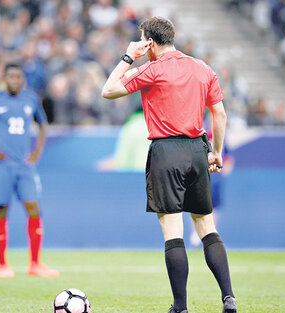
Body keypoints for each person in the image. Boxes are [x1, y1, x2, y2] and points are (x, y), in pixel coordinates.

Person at [101, 17, 237, 313]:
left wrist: (128, 56)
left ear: (149, 42)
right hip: (198, 150)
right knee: (206, 226)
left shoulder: (151, 68)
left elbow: (109, 90)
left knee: (173, 231)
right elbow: (220, 115)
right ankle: (229, 297)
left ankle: (180, 306)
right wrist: (216, 153)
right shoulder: (203, 68)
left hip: (166, 151)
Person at [0, 63, 59, 278]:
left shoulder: (31, 99)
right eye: (11, 76)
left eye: (18, 77)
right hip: (2, 166)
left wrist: (37, 152)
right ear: (4, 78)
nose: (15, 80)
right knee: (2, 210)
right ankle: (2, 264)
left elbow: (43, 124)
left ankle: (35, 264)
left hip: (25, 166)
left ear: (22, 79)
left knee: (34, 209)